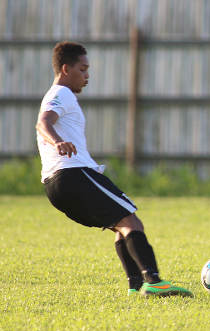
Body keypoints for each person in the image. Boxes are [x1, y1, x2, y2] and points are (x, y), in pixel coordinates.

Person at [36, 41, 192, 297]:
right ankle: (153, 281)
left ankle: (136, 286)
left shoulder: (58, 95)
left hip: (55, 185)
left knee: (120, 225)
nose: (87, 76)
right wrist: (58, 142)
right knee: (131, 221)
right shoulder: (60, 93)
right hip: (72, 173)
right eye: (83, 69)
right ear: (65, 69)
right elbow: (42, 123)